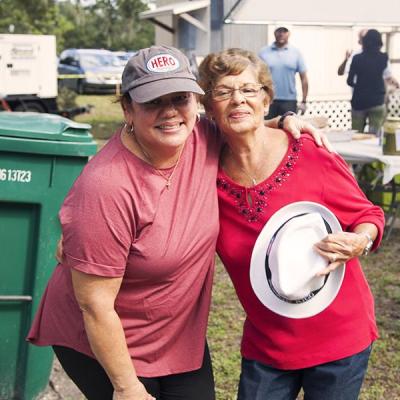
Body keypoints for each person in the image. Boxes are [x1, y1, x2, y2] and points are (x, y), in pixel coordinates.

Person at [27, 45, 325, 400]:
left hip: (176, 334)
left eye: (180, 98)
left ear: (195, 102)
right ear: (127, 109)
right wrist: (126, 387)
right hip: (105, 340)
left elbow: (244, 125)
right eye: (153, 101)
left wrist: (286, 119)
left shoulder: (200, 136)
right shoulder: (106, 187)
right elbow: (94, 304)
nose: (169, 112)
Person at [198, 48, 385, 400]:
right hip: (267, 344)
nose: (238, 99)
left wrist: (359, 241)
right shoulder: (202, 172)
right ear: (209, 108)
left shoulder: (309, 153)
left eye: (249, 90)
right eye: (223, 92)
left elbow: (368, 215)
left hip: (340, 338)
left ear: (266, 100)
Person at [347, 29, 391, 134]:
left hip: (359, 101)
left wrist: (358, 87)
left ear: (364, 42)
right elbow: (387, 76)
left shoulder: (357, 58)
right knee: (375, 135)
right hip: (377, 101)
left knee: (356, 134)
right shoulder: (383, 58)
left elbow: (349, 81)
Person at [258, 26, 308, 118]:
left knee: (288, 129)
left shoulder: (296, 53)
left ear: (289, 34)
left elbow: (304, 78)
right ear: (274, 33)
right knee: (267, 129)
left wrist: (304, 101)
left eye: (284, 31)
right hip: (268, 99)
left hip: (289, 101)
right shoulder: (263, 52)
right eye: (279, 31)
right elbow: (257, 76)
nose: (281, 34)